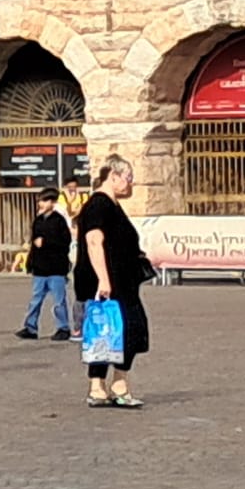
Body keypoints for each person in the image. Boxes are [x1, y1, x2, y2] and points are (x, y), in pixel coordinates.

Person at [74, 153, 149, 409]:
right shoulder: (99, 205)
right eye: (128, 178)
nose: (131, 183)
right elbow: (94, 241)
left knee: (119, 330)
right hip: (111, 283)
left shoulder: (111, 205)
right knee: (115, 329)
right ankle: (106, 385)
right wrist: (104, 280)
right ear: (114, 176)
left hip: (123, 280)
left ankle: (113, 384)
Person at [17, 186, 75, 342]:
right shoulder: (38, 220)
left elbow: (65, 242)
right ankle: (30, 327)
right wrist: (30, 263)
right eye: (40, 201)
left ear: (52, 202)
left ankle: (63, 328)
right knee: (35, 299)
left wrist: (46, 242)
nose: (41, 204)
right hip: (40, 268)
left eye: (44, 201)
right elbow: (34, 243)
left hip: (56, 268)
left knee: (58, 301)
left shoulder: (59, 221)